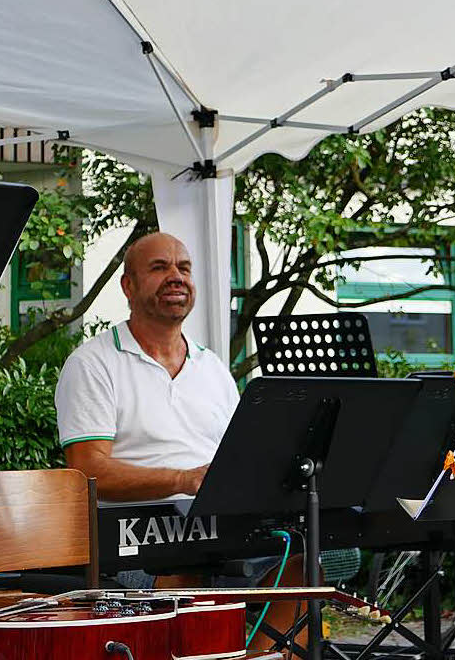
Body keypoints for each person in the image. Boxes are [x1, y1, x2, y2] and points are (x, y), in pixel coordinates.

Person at [55, 232, 306, 654]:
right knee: (185, 571)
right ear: (128, 286)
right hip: (131, 544)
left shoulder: (212, 367)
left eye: (184, 268)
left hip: (220, 527)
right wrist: (183, 480)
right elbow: (88, 471)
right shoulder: (93, 363)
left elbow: (238, 458)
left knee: (300, 567)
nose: (176, 277)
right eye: (159, 267)